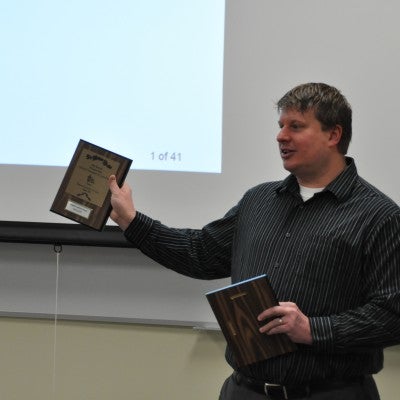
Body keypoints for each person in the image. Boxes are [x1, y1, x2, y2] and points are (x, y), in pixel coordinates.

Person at [108, 83, 400, 400]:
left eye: (296, 127)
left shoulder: (378, 216)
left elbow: (392, 316)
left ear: (333, 135)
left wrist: (313, 329)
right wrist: (131, 221)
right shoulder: (258, 201)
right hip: (245, 390)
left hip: (330, 393)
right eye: (281, 126)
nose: (281, 136)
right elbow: (200, 254)